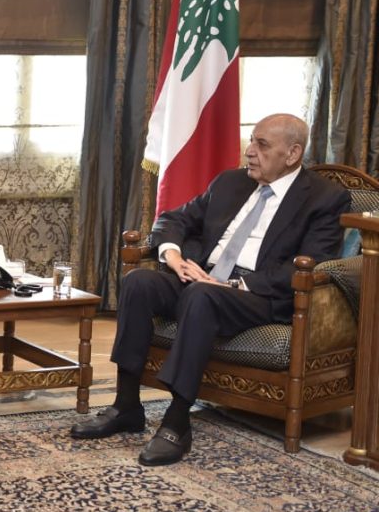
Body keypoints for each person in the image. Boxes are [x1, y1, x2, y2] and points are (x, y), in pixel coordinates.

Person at [71, 114, 350, 466]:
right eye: (252, 140)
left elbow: (311, 263)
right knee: (139, 282)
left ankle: (176, 421)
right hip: (201, 279)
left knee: (202, 295)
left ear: (293, 154)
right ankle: (126, 405)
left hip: (256, 295)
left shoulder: (325, 198)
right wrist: (173, 258)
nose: (249, 151)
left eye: (262, 145)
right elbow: (173, 219)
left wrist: (230, 283)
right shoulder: (230, 182)